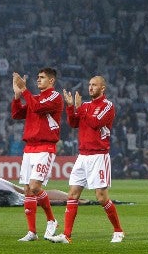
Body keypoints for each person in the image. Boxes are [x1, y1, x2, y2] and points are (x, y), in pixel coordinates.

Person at [49, 75, 124, 243]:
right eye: (89, 85)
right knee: (72, 194)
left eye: (94, 85)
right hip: (82, 156)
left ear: (102, 88)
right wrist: (70, 107)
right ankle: (66, 235)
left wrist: (79, 108)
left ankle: (118, 230)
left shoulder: (107, 106)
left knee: (101, 197)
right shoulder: (86, 106)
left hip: (98, 156)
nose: (90, 88)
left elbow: (96, 123)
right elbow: (74, 123)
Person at [11, 68, 62, 241]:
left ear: (51, 81)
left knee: (34, 186)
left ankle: (52, 219)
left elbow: (38, 108)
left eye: (42, 78)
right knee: (27, 190)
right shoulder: (35, 99)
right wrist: (17, 96)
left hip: (45, 147)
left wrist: (25, 90)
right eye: (37, 77)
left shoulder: (54, 97)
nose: (38, 80)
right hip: (30, 148)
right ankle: (32, 232)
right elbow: (17, 114)